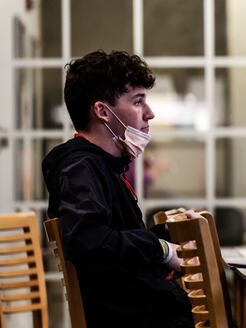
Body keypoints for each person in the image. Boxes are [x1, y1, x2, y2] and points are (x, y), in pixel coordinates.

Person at [42, 50, 194, 327]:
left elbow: (117, 240)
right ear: (102, 111)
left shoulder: (104, 166)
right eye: (138, 102)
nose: (150, 113)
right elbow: (89, 242)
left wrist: (170, 233)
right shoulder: (80, 169)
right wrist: (160, 249)